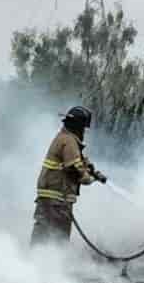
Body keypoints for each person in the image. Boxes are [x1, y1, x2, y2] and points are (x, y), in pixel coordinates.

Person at [30, 105, 106, 246]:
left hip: (50, 199)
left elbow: (79, 161)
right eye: (83, 128)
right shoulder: (69, 141)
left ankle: (32, 264)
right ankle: (53, 265)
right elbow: (75, 168)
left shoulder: (63, 138)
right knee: (58, 240)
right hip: (58, 200)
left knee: (42, 238)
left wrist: (91, 169)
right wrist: (90, 178)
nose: (84, 131)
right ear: (78, 126)